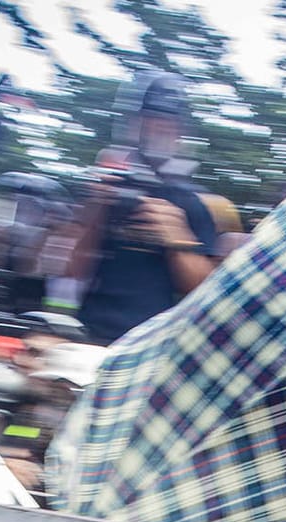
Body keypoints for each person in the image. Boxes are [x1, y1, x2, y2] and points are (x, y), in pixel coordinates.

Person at [61, 70, 220, 344]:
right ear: (135, 124)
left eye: (170, 122)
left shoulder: (191, 201)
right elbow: (67, 271)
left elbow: (206, 292)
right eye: (153, 119)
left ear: (181, 131)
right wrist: (94, 209)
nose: (162, 129)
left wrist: (178, 239)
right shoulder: (104, 189)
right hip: (88, 335)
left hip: (152, 343)